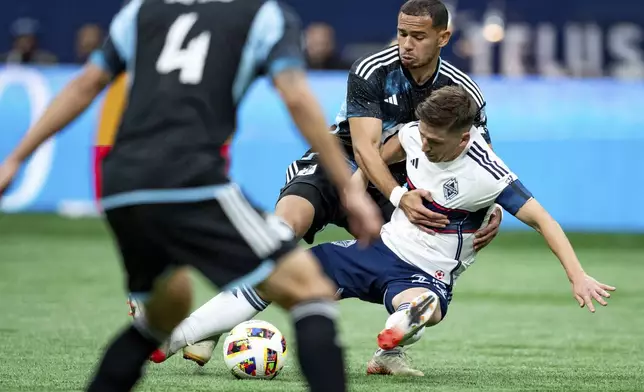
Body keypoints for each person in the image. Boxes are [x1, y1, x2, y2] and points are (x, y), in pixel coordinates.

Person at [0, 0, 383, 391]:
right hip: (191, 179)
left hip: (120, 184)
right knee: (311, 291)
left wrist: (14, 159)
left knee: (167, 311)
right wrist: (348, 190)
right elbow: (297, 98)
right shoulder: (264, 16)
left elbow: (85, 84)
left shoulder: (140, 11)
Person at [146, 86, 616, 376]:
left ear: (466, 138)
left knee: (423, 306)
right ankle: (176, 337)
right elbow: (377, 158)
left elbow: (543, 219)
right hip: (378, 248)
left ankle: (394, 334)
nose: (425, 144)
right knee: (277, 271)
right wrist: (357, 194)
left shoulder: (488, 173)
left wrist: (576, 275)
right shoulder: (414, 133)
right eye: (423, 135)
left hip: (427, 272)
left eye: (436, 141)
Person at [168, 0, 504, 366]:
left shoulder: (463, 91)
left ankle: (392, 348)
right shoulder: (372, 70)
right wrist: (397, 196)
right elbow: (365, 149)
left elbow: (476, 158)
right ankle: (211, 327)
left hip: (403, 182)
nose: (406, 44)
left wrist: (492, 207)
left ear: (444, 37)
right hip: (337, 163)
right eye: (402, 33)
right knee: (282, 231)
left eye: (418, 36)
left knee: (419, 258)